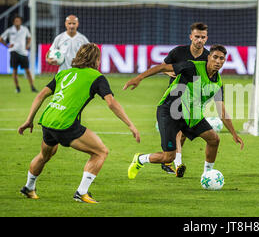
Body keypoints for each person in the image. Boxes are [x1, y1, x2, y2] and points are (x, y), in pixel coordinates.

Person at [18, 43, 140, 203]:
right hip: (65, 124)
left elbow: (41, 95)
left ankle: (28, 187)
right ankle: (81, 192)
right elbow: (111, 103)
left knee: (44, 155)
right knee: (100, 152)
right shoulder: (97, 77)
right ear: (96, 59)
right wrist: (130, 125)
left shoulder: (64, 73)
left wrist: (29, 120)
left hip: (48, 120)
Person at [124, 44, 244, 180]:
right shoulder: (192, 67)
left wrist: (234, 133)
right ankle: (140, 159)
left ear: (224, 61)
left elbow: (221, 110)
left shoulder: (217, 83)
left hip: (191, 115)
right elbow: (162, 67)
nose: (218, 61)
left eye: (221, 59)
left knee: (214, 139)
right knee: (169, 157)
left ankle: (207, 174)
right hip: (169, 111)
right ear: (208, 57)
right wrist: (139, 78)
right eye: (215, 57)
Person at [159, 22, 210, 177]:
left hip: (193, 100)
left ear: (206, 38)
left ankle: (168, 161)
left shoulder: (208, 57)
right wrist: (170, 74)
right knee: (177, 132)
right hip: (175, 97)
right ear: (191, 37)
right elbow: (163, 67)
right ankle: (177, 163)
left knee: (183, 134)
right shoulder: (178, 52)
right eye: (197, 37)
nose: (199, 40)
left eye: (202, 37)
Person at [0, 15, 37, 93]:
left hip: (23, 52)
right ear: (13, 22)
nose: (17, 22)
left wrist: (27, 45)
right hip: (14, 52)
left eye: (19, 21)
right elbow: (1, 38)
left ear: (21, 22)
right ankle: (17, 88)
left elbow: (29, 37)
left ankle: (32, 87)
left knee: (27, 70)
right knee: (14, 70)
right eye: (16, 21)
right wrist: (7, 45)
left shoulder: (25, 29)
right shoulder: (10, 30)